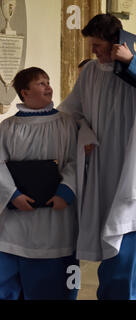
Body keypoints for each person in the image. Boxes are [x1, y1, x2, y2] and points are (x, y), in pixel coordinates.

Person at [59, 14, 136, 300]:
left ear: (117, 43)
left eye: (98, 45)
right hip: (102, 167)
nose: (94, 51)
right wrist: (83, 134)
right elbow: (71, 112)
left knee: (131, 239)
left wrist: (134, 64)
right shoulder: (90, 71)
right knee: (109, 239)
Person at [0, 67, 78, 300]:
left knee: (54, 285)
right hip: (16, 219)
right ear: (25, 93)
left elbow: (76, 160)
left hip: (56, 215)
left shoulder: (66, 123)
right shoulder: (8, 127)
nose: (48, 86)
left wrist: (66, 190)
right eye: (41, 83)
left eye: (48, 81)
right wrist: (12, 194)